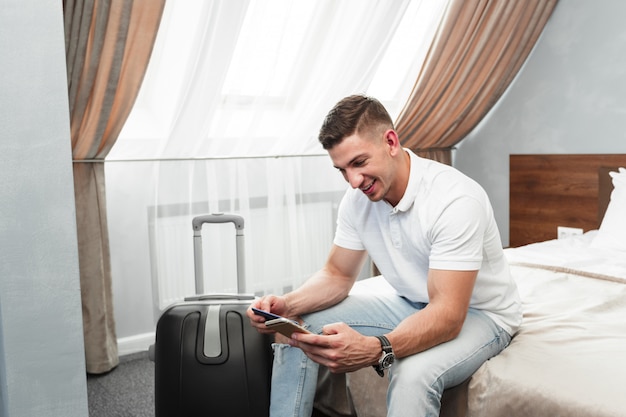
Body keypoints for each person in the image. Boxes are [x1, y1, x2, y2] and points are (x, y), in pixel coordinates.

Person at [247, 94, 521, 417]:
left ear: (390, 141)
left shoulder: (455, 199)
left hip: (480, 315)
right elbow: (337, 275)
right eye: (343, 170)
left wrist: (376, 349)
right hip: (412, 303)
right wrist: (287, 305)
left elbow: (448, 315)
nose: (353, 181)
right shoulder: (357, 201)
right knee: (299, 327)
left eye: (359, 163)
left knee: (411, 374)